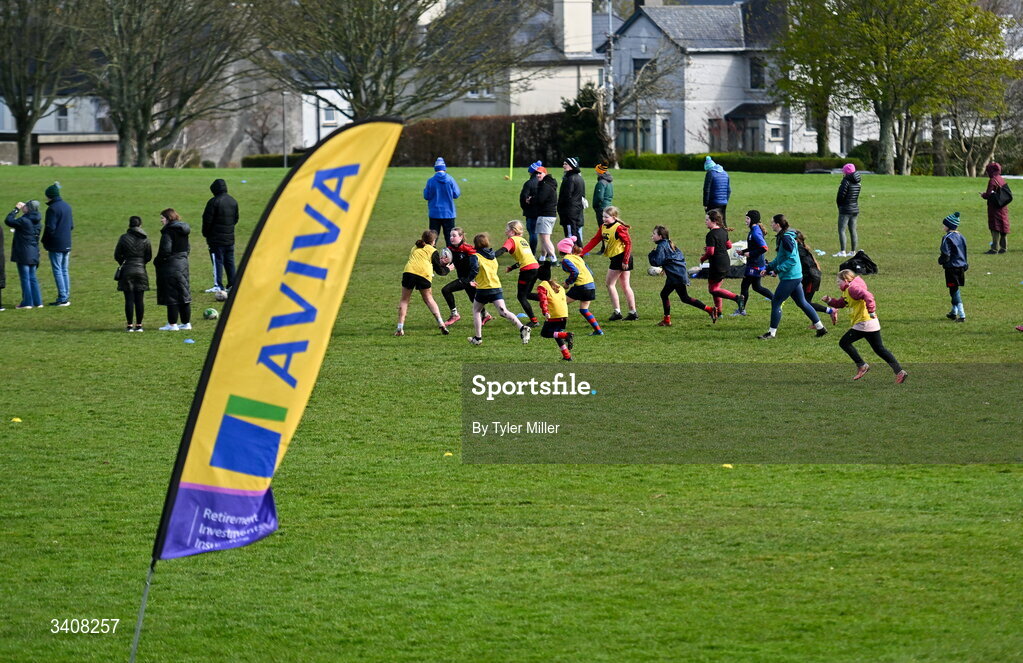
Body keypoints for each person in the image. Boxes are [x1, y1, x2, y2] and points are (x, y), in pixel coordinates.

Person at [823, 269, 907, 383]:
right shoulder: (847, 290)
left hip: (864, 323)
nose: (837, 284)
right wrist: (829, 300)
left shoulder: (852, 289)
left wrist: (871, 310)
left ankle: (862, 365)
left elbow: (868, 295)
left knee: (844, 343)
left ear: (846, 280)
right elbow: (842, 303)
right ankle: (900, 372)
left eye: (838, 281)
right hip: (870, 323)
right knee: (879, 349)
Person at [759, 214, 828, 340]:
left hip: (790, 277)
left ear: (778, 224)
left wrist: (778, 269)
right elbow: (780, 257)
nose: (770, 225)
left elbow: (791, 260)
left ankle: (771, 333)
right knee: (802, 302)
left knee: (776, 302)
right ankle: (821, 328)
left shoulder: (785, 239)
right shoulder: (784, 237)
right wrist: (768, 268)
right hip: (795, 275)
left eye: (772, 223)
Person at [466, 232, 531, 346]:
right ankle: (522, 327)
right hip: (496, 287)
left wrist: (470, 280)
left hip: (483, 289)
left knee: (476, 311)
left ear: (475, 244)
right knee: (503, 311)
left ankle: (478, 338)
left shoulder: (475, 256)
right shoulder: (493, 256)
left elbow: (475, 269)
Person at [648, 225, 716, 326]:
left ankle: (710, 310)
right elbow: (678, 257)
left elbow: (657, 262)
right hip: (676, 274)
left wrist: (651, 254)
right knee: (671, 295)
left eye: (654, 234)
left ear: (660, 236)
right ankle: (667, 320)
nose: (652, 236)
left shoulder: (661, 246)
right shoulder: (669, 243)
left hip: (675, 276)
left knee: (683, 297)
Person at [580, 205, 637, 321]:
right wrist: (581, 253)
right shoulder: (603, 227)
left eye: (606, 217)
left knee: (610, 284)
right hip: (618, 258)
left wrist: (625, 260)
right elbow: (595, 240)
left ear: (614, 217)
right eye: (603, 217)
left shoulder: (619, 228)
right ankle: (632, 312)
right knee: (625, 285)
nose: (604, 219)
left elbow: (629, 244)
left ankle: (617, 312)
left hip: (620, 258)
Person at [395, 230, 452, 336]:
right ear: (433, 241)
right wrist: (448, 268)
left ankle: (400, 328)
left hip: (409, 272)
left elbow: (422, 259)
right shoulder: (433, 251)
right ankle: (441, 324)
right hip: (423, 275)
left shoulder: (415, 247)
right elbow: (439, 271)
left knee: (404, 300)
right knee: (429, 300)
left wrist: (439, 261)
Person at [441, 227, 490, 328]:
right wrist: (443, 263)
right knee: (474, 299)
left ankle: (454, 315)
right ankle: (485, 315)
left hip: (468, 279)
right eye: (450, 235)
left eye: (454, 236)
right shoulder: (450, 249)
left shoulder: (469, 249)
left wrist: (469, 280)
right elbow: (446, 265)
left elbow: (475, 267)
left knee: (446, 290)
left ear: (461, 237)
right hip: (465, 279)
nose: (451, 238)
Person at [495, 220, 541, 327]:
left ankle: (534, 321)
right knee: (527, 294)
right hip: (536, 267)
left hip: (527, 270)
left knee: (521, 297)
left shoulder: (511, 240)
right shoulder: (523, 240)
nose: (506, 231)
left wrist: (489, 256)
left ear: (513, 230)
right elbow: (525, 258)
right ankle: (548, 299)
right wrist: (512, 267)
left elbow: (502, 250)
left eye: (507, 229)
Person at [154, 209, 192, 331]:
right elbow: (188, 248)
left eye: (163, 218)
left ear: (169, 218)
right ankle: (186, 323)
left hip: (171, 265)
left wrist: (157, 261)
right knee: (183, 293)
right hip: (183, 264)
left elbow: (166, 250)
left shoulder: (168, 232)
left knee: (172, 295)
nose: (161, 220)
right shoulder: (183, 231)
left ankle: (172, 324)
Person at [700, 210, 744, 316]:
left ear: (714, 221)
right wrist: (718, 246)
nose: (705, 222)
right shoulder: (723, 231)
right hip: (725, 262)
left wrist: (703, 258)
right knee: (716, 288)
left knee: (713, 290)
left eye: (707, 220)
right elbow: (729, 245)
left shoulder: (711, 234)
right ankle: (719, 312)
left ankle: (737, 298)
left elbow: (711, 252)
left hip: (717, 264)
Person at [557, 237, 603, 335]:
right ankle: (598, 331)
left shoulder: (566, 260)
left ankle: (560, 329)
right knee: (584, 310)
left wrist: (567, 283)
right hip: (590, 285)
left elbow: (575, 272)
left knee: (561, 304)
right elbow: (590, 272)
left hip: (581, 286)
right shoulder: (578, 257)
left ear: (561, 250)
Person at [115, 216, 153, 332]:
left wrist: (124, 262)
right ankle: (139, 325)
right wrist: (141, 263)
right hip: (141, 270)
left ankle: (130, 325)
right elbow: (148, 256)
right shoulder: (145, 239)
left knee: (129, 299)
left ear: (129, 225)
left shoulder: (124, 238)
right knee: (140, 299)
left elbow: (117, 255)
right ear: (140, 225)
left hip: (127, 270)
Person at [201, 178, 239, 293]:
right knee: (230, 261)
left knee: (217, 261)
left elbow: (207, 220)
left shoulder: (213, 202)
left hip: (216, 239)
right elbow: (236, 218)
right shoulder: (233, 201)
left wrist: (206, 233)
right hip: (230, 238)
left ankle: (218, 285)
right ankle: (232, 284)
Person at [5, 200, 43, 309]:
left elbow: (8, 221)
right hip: (34, 252)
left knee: (25, 278)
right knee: (33, 277)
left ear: (29, 208)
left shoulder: (24, 220)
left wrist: (16, 209)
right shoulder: (37, 220)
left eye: (25, 206)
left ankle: (27, 302)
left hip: (23, 252)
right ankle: (38, 301)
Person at [795, 230, 839, 326]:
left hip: (810, 278)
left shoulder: (799, 250)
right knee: (803, 302)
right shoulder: (801, 248)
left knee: (805, 302)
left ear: (796, 240)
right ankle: (817, 321)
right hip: (810, 277)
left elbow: (806, 266)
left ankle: (830, 311)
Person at [734, 210, 772, 316]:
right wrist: (743, 252)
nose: (745, 221)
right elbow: (753, 246)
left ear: (753, 220)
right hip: (756, 263)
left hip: (754, 265)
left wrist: (750, 254)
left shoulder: (755, 232)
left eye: (747, 218)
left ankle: (741, 310)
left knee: (744, 286)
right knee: (757, 287)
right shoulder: (754, 230)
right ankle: (776, 299)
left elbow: (764, 248)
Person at [41, 181, 73, 306]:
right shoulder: (67, 206)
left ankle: (62, 298)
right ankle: (66, 295)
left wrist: (44, 241)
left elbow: (50, 228)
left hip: (56, 244)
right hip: (67, 243)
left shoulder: (52, 209)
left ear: (50, 196)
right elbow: (71, 226)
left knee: (58, 270)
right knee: (64, 270)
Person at [938, 211, 968, 323]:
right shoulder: (961, 236)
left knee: (954, 290)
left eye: (944, 225)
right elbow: (964, 252)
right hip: (961, 267)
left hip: (951, 268)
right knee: (954, 289)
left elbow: (946, 254)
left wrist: (941, 261)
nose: (943, 226)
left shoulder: (947, 238)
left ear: (949, 226)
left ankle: (962, 314)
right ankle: (953, 312)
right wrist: (965, 264)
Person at [423, 157, 460, 244]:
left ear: (435, 169)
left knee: (432, 238)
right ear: (444, 168)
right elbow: (456, 194)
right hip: (449, 213)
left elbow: (426, 196)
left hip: (434, 213)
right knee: (450, 237)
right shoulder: (450, 179)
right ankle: (451, 255)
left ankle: (431, 255)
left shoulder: (431, 181)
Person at [536, 278, 574, 361]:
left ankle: (566, 335)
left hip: (554, 315)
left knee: (545, 333)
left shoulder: (542, 286)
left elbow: (543, 300)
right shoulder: (558, 286)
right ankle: (567, 356)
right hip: (564, 314)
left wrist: (545, 312)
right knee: (557, 334)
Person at [979, 161, 1010, 253]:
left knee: (995, 227)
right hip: (1003, 206)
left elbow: (988, 194)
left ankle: (994, 248)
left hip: (994, 207)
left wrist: (983, 195)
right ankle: (1004, 247)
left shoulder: (992, 180)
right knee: (1003, 226)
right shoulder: (1001, 178)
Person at [532, 166, 559, 265]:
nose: (538, 175)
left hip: (545, 215)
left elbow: (540, 200)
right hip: (550, 215)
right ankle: (543, 257)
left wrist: (531, 199)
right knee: (543, 238)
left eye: (540, 173)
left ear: (545, 173)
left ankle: (554, 259)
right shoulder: (549, 184)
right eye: (537, 173)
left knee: (546, 239)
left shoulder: (545, 185)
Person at [835, 163, 861, 257]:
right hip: (855, 208)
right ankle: (853, 251)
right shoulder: (858, 182)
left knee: (842, 230)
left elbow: (840, 196)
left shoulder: (845, 181)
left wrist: (839, 206)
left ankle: (842, 251)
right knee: (853, 230)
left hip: (845, 209)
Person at [557, 157, 586, 245]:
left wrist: (561, 206)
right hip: (576, 208)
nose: (563, 166)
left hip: (569, 210)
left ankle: (573, 252)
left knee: (571, 233)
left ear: (572, 166)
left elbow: (567, 195)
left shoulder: (570, 178)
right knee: (575, 231)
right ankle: (580, 250)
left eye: (566, 164)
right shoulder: (579, 178)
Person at [519, 161, 543, 251]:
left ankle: (532, 252)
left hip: (531, 213)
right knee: (544, 234)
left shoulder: (529, 183)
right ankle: (546, 253)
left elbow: (523, 198)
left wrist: (525, 208)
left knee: (533, 233)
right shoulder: (545, 182)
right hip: (544, 212)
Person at [703, 156, 730, 222]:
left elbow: (706, 190)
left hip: (713, 203)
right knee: (722, 221)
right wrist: (725, 200)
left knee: (713, 222)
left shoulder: (710, 173)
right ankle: (725, 232)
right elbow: (729, 190)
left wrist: (705, 204)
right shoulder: (725, 173)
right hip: (723, 203)